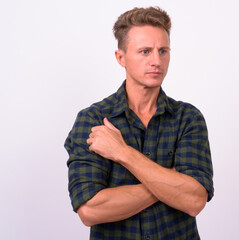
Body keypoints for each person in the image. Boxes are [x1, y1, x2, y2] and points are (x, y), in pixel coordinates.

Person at [65, 6, 214, 240]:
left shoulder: (188, 118)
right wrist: (170, 184)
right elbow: (90, 210)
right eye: (145, 51)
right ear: (120, 57)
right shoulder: (93, 120)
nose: (156, 60)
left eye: (163, 51)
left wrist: (122, 152)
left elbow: (194, 201)